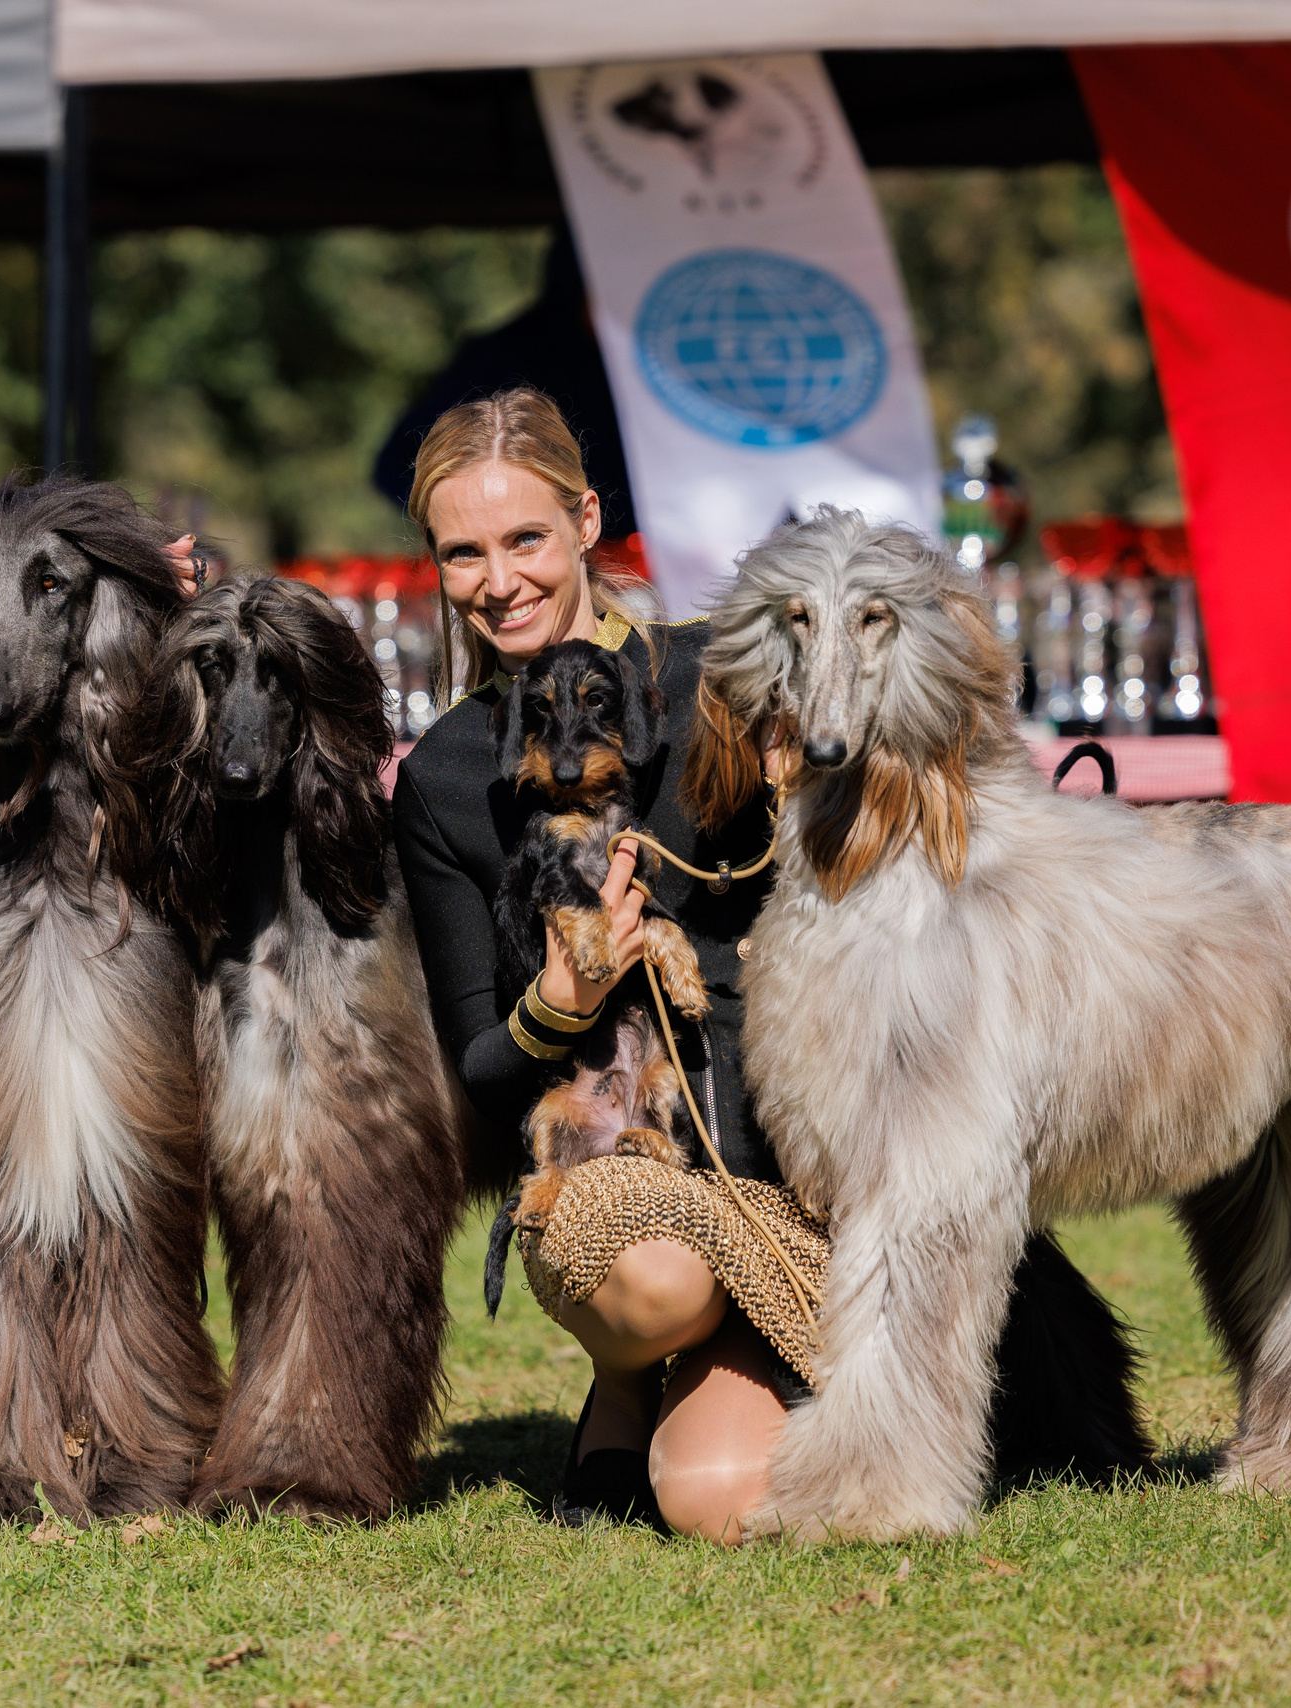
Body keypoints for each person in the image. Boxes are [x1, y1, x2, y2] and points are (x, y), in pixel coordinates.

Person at [390, 388, 1144, 1544]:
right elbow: (484, 1068)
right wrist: (558, 1003)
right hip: (620, 1191)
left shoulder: (727, 682)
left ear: (588, 520)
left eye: (524, 538)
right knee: (658, 1286)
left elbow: (939, 746)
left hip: (791, 1167)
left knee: (721, 1500)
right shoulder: (446, 774)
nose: (499, 579)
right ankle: (630, 1378)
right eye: (463, 552)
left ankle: (745, 1373)